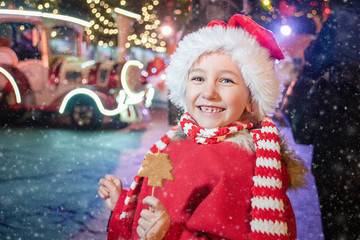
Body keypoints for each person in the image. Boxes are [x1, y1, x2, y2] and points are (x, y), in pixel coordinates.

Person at [98, 14, 307, 240]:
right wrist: (123, 204)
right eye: (198, 78)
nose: (208, 93)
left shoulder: (243, 167)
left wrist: (168, 233)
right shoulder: (177, 141)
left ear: (251, 98)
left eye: (226, 80)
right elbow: (162, 200)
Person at [281, 2, 360, 239]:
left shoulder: (344, 19)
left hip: (341, 138)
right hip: (343, 137)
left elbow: (314, 61)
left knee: (339, 220)